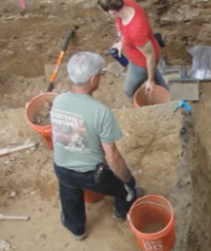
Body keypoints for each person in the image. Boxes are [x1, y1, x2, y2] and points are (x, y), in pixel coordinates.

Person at [49, 52, 144, 240]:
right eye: (100, 74)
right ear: (93, 79)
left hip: (62, 168)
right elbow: (112, 157)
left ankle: (76, 229)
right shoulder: (100, 113)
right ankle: (120, 212)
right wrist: (128, 179)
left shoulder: (58, 100)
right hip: (91, 175)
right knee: (125, 188)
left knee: (69, 193)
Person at [97, 0, 169, 101]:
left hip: (141, 62)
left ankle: (145, 106)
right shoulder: (128, 4)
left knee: (128, 90)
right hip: (142, 54)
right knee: (154, 75)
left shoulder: (136, 32)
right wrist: (122, 42)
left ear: (112, 12)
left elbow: (150, 57)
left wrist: (150, 80)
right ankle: (166, 96)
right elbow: (124, 30)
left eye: (106, 13)